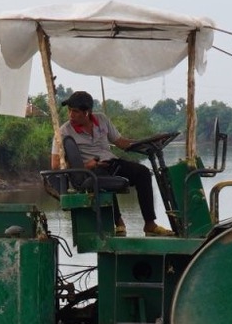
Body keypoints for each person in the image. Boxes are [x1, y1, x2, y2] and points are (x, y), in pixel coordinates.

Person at [55, 90, 173, 236]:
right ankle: (118, 223)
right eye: (70, 111)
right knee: (102, 178)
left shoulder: (102, 120)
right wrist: (86, 166)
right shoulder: (64, 131)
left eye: (75, 111)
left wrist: (148, 142)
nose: (71, 115)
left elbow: (121, 143)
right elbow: (56, 165)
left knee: (142, 172)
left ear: (88, 112)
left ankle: (150, 224)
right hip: (91, 170)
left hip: (111, 162)